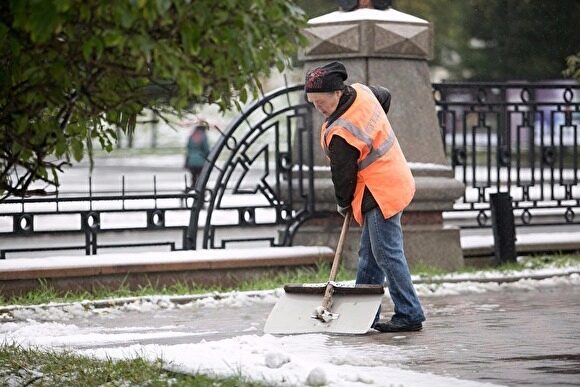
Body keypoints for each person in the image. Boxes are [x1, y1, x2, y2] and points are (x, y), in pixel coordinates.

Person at [304, 61, 426, 332]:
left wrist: (342, 203)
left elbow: (343, 176)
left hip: (379, 190)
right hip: (393, 177)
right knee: (369, 256)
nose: (319, 109)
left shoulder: (341, 132)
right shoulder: (363, 92)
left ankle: (409, 313)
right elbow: (385, 96)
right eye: (313, 103)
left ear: (337, 92)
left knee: (387, 253)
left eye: (321, 101)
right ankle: (365, 315)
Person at [185, 123, 210, 190]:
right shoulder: (203, 136)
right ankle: (201, 192)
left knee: (193, 177)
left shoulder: (191, 136)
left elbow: (188, 148)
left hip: (191, 161)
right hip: (201, 160)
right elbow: (206, 149)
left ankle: (192, 189)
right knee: (201, 178)